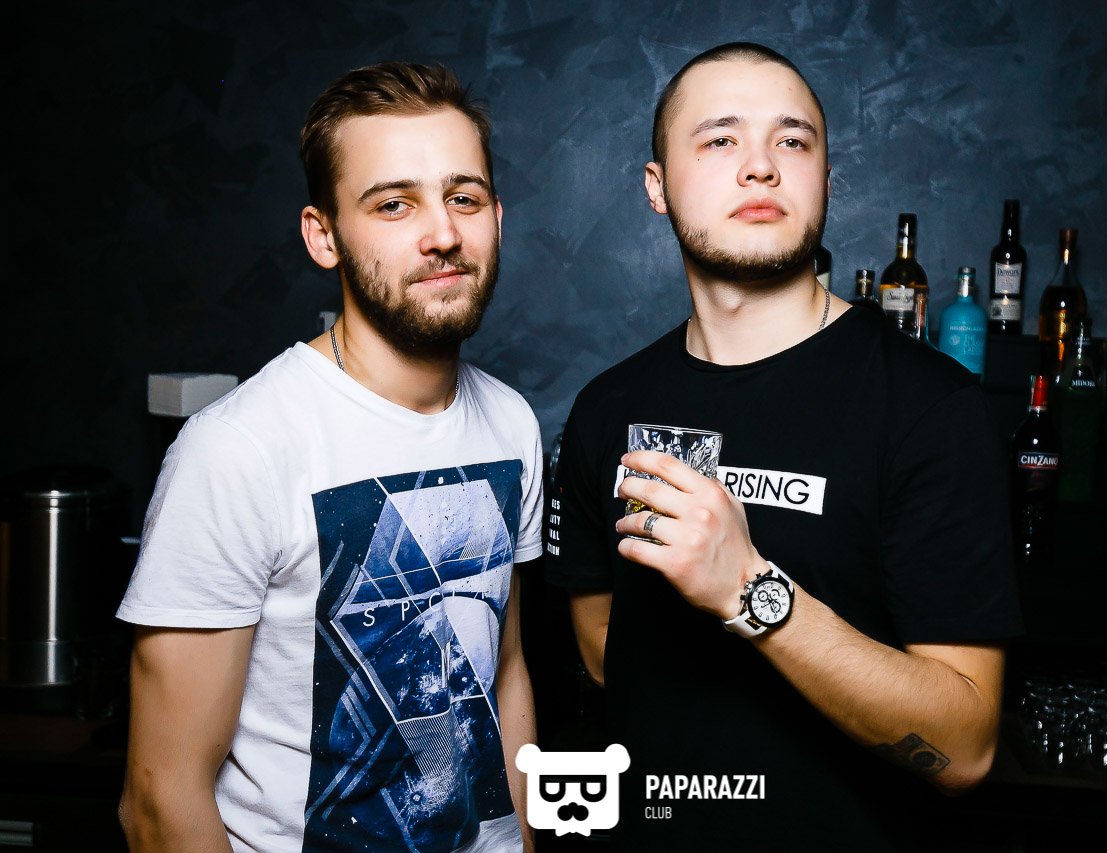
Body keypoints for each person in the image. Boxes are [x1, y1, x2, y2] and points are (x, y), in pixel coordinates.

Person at [544, 42, 1023, 851]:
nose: (761, 165)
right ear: (657, 186)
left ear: (827, 180)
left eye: (792, 140)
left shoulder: (931, 409)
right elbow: (601, 648)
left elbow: (966, 746)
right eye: (720, 138)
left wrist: (748, 589)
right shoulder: (607, 408)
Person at [116, 61, 541, 852]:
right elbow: (158, 798)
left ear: (496, 216)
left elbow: (503, 673)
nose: (443, 233)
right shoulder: (237, 449)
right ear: (323, 234)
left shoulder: (510, 423)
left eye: (463, 197)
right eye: (393, 203)